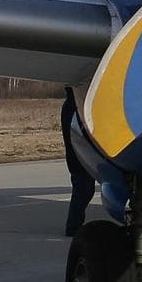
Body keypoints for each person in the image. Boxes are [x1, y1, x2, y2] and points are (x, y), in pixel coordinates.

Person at [61, 87, 96, 236]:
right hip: (79, 157)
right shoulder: (78, 109)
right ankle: (73, 227)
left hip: (76, 157)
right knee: (84, 188)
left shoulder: (70, 108)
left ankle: (74, 226)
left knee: (83, 188)